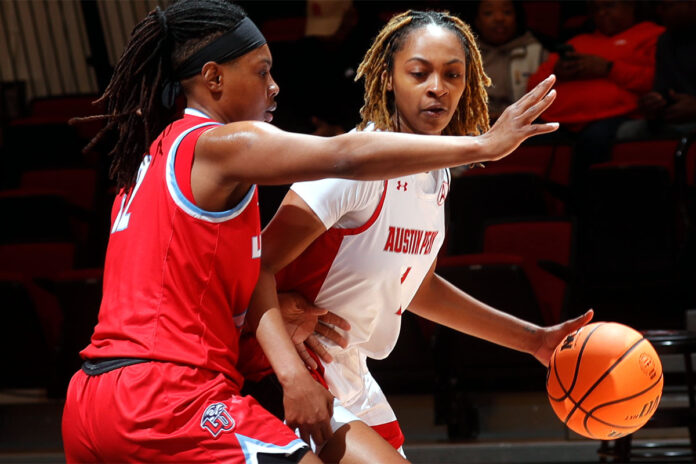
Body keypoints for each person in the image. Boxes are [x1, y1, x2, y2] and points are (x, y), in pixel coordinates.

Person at [59, 1, 561, 463]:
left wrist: (532, 339)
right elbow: (338, 157)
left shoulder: (153, 158)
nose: (275, 86)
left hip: (92, 395)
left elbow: (259, 273)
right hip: (169, 392)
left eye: (453, 74)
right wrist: (484, 146)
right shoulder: (220, 145)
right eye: (261, 72)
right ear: (213, 78)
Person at [245, 10, 592, 463]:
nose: (438, 87)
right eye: (419, 72)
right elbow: (255, 264)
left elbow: (418, 287)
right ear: (388, 78)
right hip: (285, 371)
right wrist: (291, 375)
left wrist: (533, 340)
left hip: (349, 368)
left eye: (453, 75)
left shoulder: (437, 175)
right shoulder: (351, 167)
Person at [526, 0, 664, 185]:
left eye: (609, 6)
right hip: (562, 120)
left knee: (593, 140)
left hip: (618, 118)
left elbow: (654, 80)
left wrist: (608, 69)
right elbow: (532, 87)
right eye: (596, 9)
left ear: (630, 6)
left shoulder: (653, 36)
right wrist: (558, 73)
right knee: (528, 142)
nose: (601, 13)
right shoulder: (578, 42)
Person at [617, 0, 696, 140]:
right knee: (625, 132)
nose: (659, 11)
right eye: (658, 6)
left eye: (666, 6)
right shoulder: (665, 41)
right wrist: (654, 104)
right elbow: (663, 90)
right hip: (676, 119)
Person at [470, 0, 547, 120]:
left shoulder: (536, 52)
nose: (499, 18)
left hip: (524, 123)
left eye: (507, 12)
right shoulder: (467, 53)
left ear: (517, 17)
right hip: (475, 125)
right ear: (477, 21)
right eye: (488, 13)